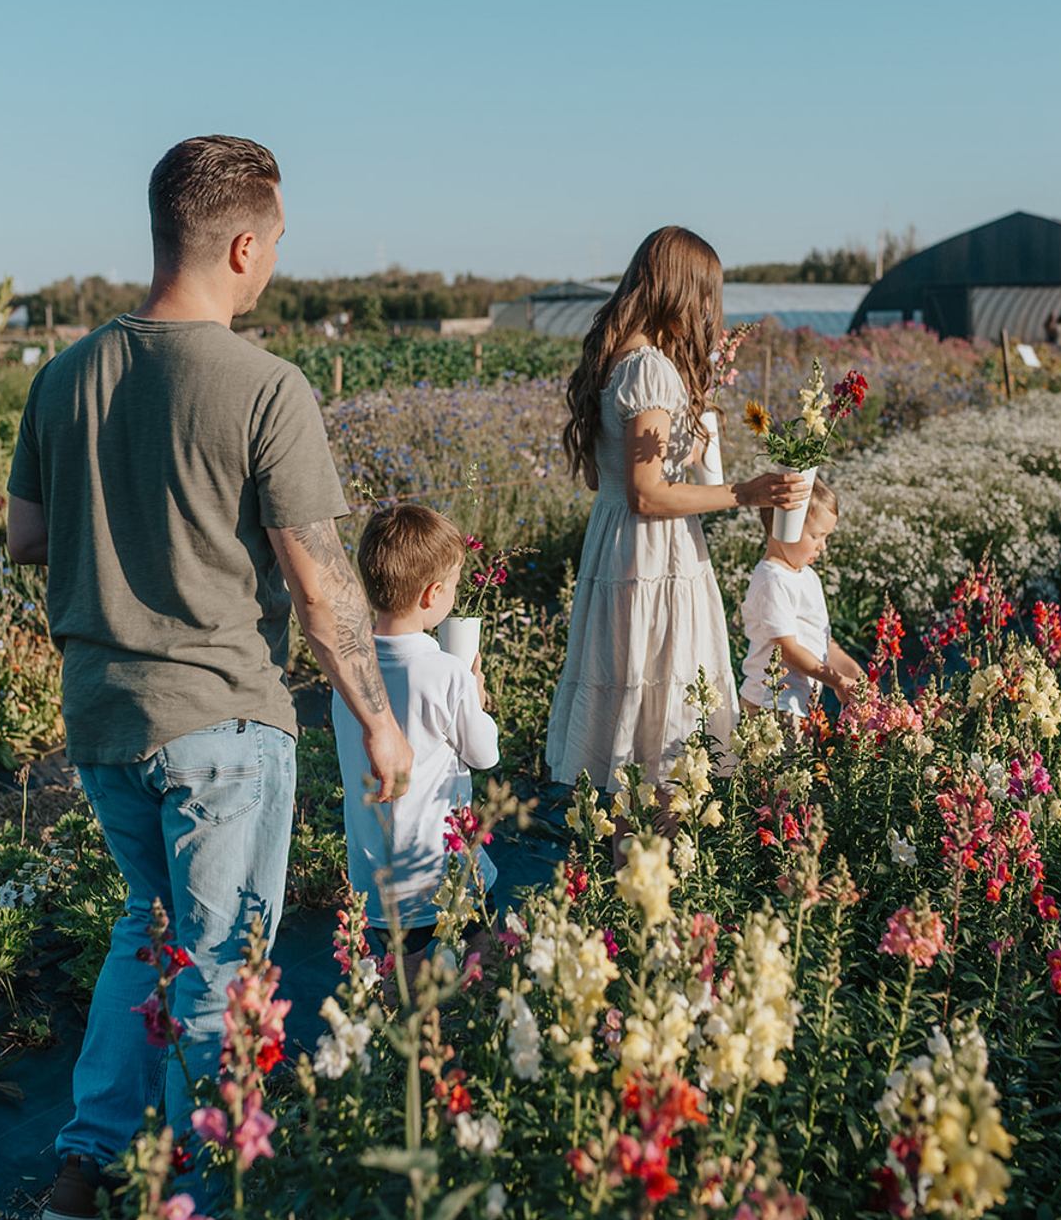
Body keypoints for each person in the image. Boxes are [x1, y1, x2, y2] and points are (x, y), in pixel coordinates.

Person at [6, 135, 412, 1220]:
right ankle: (207, 1184)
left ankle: (85, 1165)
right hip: (225, 720)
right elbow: (322, 587)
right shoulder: (266, 387)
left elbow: (26, 537)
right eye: (274, 243)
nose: (273, 260)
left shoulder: (62, 376)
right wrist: (378, 719)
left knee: (147, 930)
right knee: (221, 971)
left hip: (103, 721)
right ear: (242, 245)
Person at [544, 226, 808, 790]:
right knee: (663, 745)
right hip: (652, 558)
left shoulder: (615, 359)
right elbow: (649, 493)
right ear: (682, 291)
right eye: (708, 293)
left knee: (634, 724)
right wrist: (747, 491)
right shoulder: (650, 370)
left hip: (616, 548)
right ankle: (651, 870)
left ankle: (625, 869)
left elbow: (608, 479)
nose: (713, 309)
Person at [333, 504, 500, 967]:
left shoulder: (348, 671)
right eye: (453, 586)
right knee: (478, 949)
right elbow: (484, 754)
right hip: (439, 873)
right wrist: (476, 695)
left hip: (374, 876)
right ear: (432, 595)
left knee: (395, 972)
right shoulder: (447, 673)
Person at [738, 480, 865, 716]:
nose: (822, 547)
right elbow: (787, 649)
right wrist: (836, 681)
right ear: (783, 526)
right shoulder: (772, 579)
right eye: (816, 536)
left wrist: (853, 674)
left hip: (799, 705)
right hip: (772, 705)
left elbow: (821, 641)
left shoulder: (807, 576)